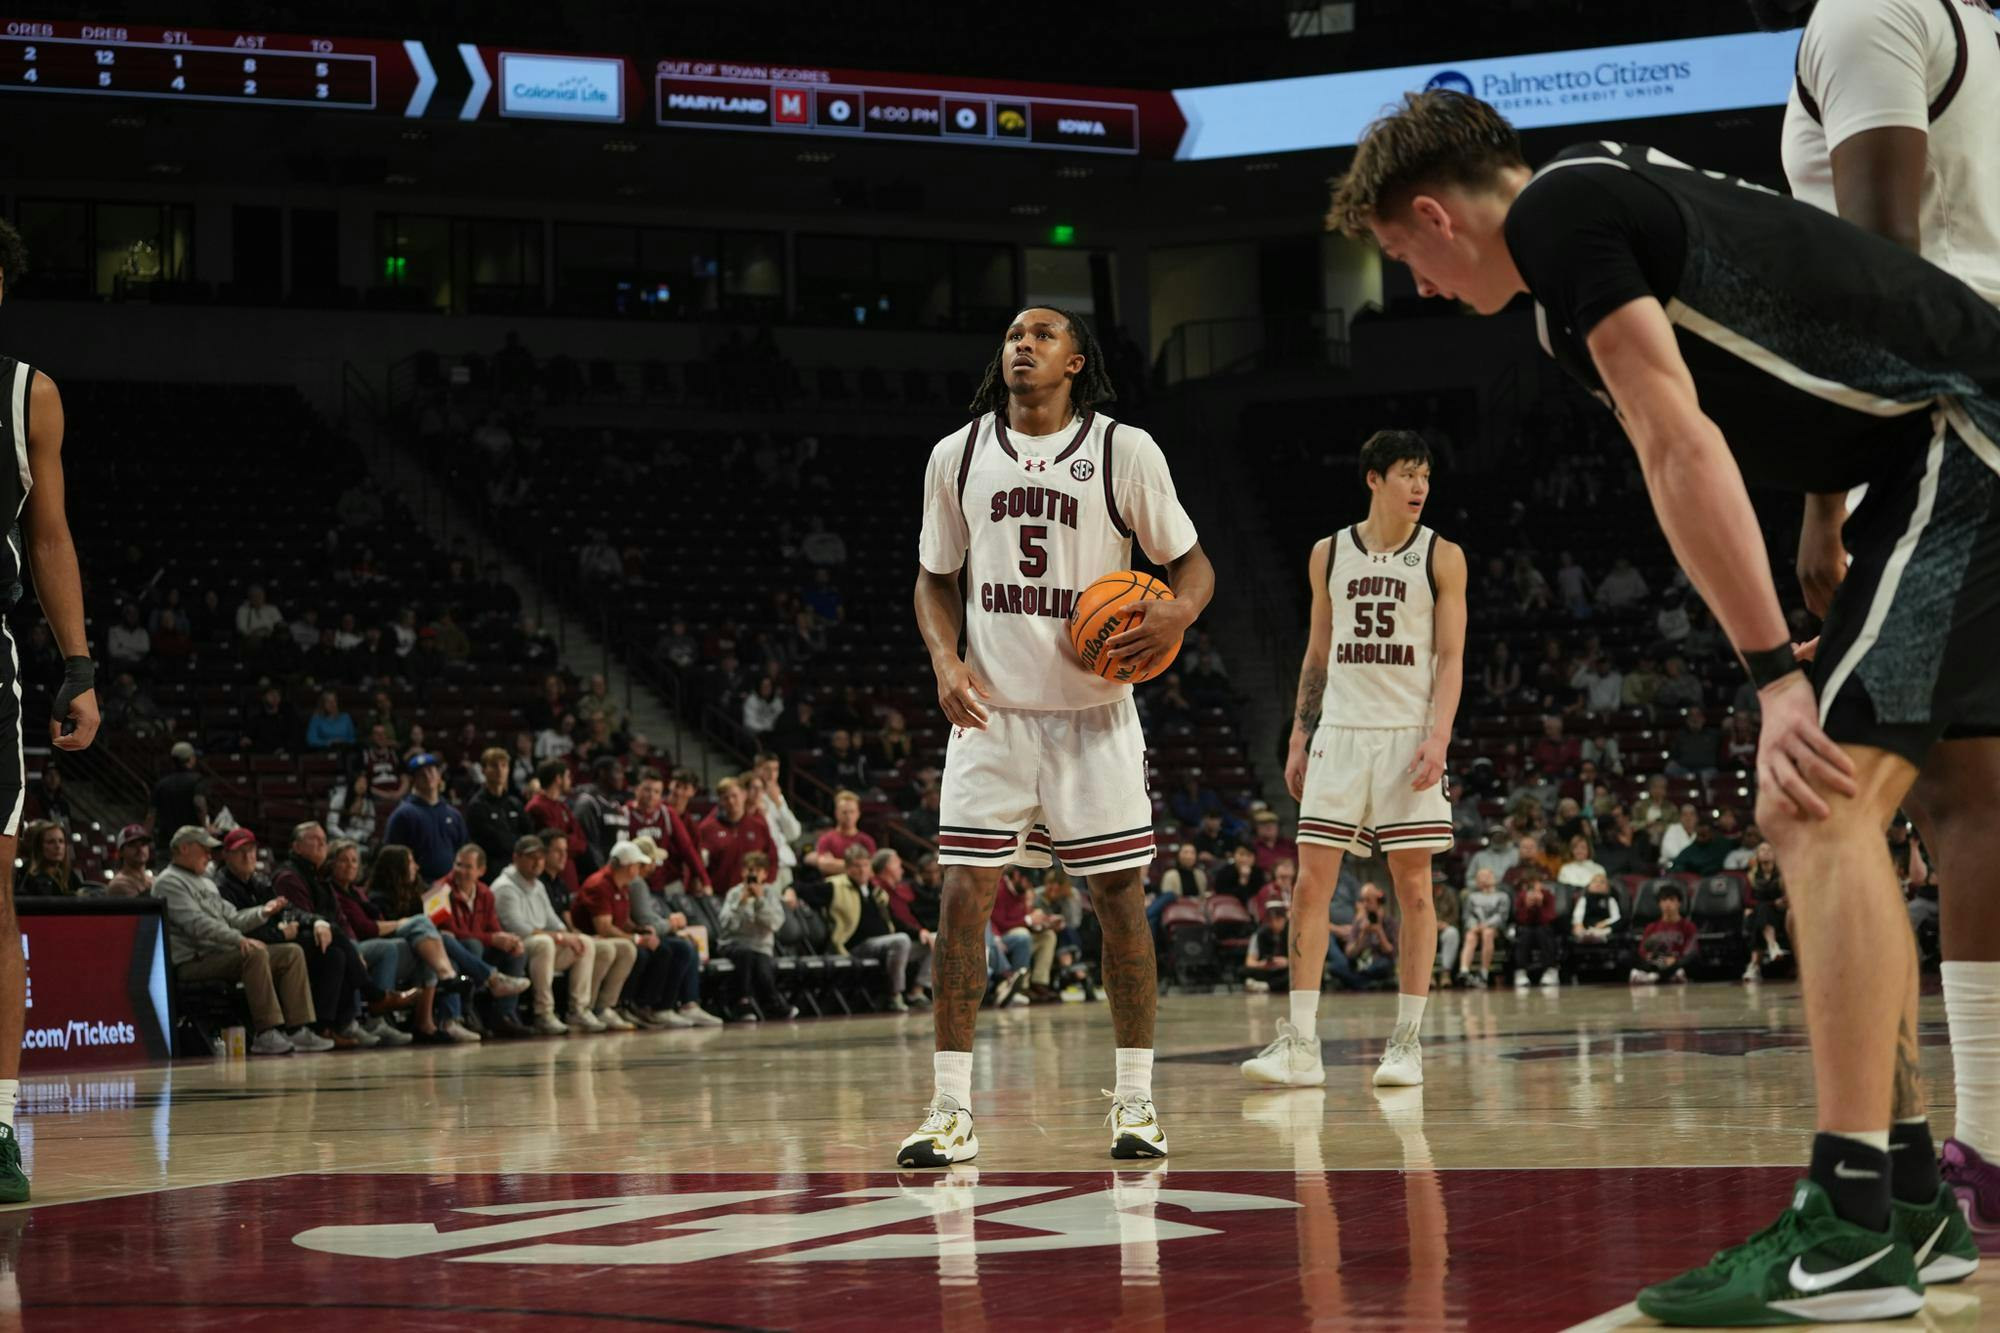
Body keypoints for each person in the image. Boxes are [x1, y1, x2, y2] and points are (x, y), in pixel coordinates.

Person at [1330, 88, 2000, 1313]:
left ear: (1431, 213)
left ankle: (1848, 1225)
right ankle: (1908, 1197)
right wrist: (1816, 523)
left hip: (1972, 435)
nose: (1415, 286)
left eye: (1398, 257)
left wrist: (1773, 678)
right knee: (1921, 802)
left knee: (1812, 803)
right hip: (1925, 441)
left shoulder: (1558, 213)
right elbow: (1811, 344)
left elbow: (1675, 435)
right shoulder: (1594, 217)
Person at [1778, 0, 2000, 1231]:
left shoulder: (1865, 8)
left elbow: (1875, 275)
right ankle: (1980, 1154)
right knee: (1969, 796)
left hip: (1942, 428)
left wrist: (1822, 497)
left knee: (1818, 789)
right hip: (1984, 411)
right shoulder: (1969, 21)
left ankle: (1868, 1191)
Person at [906, 305, 1212, 1167]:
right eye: (1011, 334)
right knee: (961, 898)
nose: (1022, 344)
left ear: (1076, 361)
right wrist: (943, 658)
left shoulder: (1124, 451)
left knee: (1119, 902)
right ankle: (949, 1109)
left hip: (1093, 716)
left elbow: (1193, 565)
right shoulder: (956, 454)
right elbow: (934, 581)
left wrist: (1177, 616)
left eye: (1042, 335)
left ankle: (1139, 1101)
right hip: (992, 714)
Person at [1243, 430, 1465, 1093]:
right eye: (1407, 473)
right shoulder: (1328, 552)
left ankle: (1407, 1043)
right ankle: (1303, 1045)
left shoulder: (1442, 555)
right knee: (1310, 885)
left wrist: (1440, 735)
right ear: (1374, 479)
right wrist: (1298, 733)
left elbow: (1451, 657)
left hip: (1406, 733)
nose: (1420, 486)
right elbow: (1317, 651)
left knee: (1415, 888)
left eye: (1426, 474)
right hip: (1339, 729)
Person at [155, 826, 329, 1056]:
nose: (209, 855)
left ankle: (298, 1029)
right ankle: (265, 1033)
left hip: (220, 954)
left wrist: (263, 912)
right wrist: (239, 940)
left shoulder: (205, 882)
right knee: (254, 953)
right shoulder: (168, 882)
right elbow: (197, 925)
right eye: (204, 849)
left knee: (290, 952)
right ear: (184, 848)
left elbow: (233, 917)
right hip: (193, 961)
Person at [490, 834, 604, 1034]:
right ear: (516, 858)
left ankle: (578, 1009)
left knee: (584, 942)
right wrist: (560, 937)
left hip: (543, 946)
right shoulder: (504, 887)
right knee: (545, 942)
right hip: (516, 946)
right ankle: (544, 1012)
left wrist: (567, 935)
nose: (537, 862)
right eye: (531, 857)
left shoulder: (538, 885)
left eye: (541, 857)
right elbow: (519, 929)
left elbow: (554, 921)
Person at [574, 840, 690, 1030]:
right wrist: (637, 939)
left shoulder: (622, 885)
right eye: (638, 864)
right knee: (638, 951)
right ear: (628, 867)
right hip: (594, 938)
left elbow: (623, 920)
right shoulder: (599, 884)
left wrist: (639, 930)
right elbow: (603, 927)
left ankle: (641, 1006)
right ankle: (611, 1005)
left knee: (661, 949)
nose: (641, 868)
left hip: (613, 939)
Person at [803, 844, 918, 1011]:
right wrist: (790, 892)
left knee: (932, 942)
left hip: (885, 944)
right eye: (857, 866)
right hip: (855, 946)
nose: (862, 870)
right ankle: (894, 995)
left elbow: (894, 919)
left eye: (865, 865)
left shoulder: (875, 890)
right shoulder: (834, 886)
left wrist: (920, 932)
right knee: (901, 941)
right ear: (848, 868)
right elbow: (802, 889)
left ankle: (919, 991)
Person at [718, 851, 794, 1020]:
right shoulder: (734, 894)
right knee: (746, 955)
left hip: (761, 946)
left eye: (757, 870)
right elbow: (726, 924)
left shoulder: (770, 894)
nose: (752, 874)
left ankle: (772, 1006)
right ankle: (742, 1003)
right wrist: (740, 904)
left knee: (762, 967)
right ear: (742, 872)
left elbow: (775, 923)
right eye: (748, 870)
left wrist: (760, 901)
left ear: (765, 874)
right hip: (734, 944)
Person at [382, 753, 468, 883]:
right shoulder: (403, 815)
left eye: (431, 771)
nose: (428, 777)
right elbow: (392, 859)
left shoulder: (453, 814)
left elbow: (463, 851)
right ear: (414, 780)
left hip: (450, 886)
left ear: (439, 775)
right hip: (418, 889)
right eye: (421, 774)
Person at [695, 777, 777, 896]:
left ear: (744, 795)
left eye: (734, 796)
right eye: (725, 798)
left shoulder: (758, 826)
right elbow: (697, 862)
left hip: (752, 894)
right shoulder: (707, 829)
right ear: (720, 801)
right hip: (719, 895)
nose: (731, 801)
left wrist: (766, 883)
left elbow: (772, 858)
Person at [465, 746, 533, 872]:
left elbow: (529, 833)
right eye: (494, 766)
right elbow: (494, 842)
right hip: (493, 869)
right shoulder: (477, 805)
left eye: (504, 765)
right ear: (484, 770)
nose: (500, 770)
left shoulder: (514, 803)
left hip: (519, 866)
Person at [1325, 883, 1397, 991]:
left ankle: (1358, 982)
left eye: (1368, 900)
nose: (1365, 904)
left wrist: (1379, 932)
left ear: (1378, 901)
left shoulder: (1390, 922)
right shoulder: (1359, 923)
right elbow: (1349, 953)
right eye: (1363, 900)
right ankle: (1366, 983)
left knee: (1385, 965)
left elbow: (1392, 953)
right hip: (1360, 964)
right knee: (1335, 967)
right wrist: (1362, 935)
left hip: (1378, 964)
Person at [1744, 841, 1793, 983]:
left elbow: (1789, 895)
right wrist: (1771, 903)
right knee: (1762, 910)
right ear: (1757, 856)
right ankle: (1772, 945)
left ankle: (1754, 965)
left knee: (1759, 914)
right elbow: (1747, 901)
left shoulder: (1783, 875)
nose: (1766, 852)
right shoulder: (1751, 877)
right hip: (1761, 912)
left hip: (1780, 913)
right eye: (1762, 850)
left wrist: (1783, 902)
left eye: (1769, 850)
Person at [1631, 884, 1698, 986]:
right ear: (1659, 904)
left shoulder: (1688, 926)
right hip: (1657, 962)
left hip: (1676, 962)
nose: (1667, 904)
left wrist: (1675, 960)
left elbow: (1691, 950)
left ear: (1679, 903)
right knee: (1628, 957)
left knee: (1692, 958)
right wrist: (1651, 957)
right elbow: (1643, 951)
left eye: (1672, 900)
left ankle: (1654, 977)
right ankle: (1666, 976)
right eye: (1664, 900)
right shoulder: (1651, 927)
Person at [1458, 867, 1510, 988]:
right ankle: (1464, 970)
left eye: (1487, 875)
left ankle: (1484, 972)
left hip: (1495, 929)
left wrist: (1486, 925)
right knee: (1470, 935)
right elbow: (1468, 915)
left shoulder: (1502, 896)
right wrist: (1474, 925)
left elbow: (1502, 916)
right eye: (1481, 876)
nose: (1484, 878)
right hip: (1476, 927)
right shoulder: (1472, 897)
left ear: (1494, 878)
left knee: (1487, 933)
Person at [1511, 871, 1560, 989]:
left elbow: (1550, 917)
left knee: (1543, 931)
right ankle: (1521, 971)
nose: (1533, 888)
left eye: (1536, 884)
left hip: (1544, 926)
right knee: (1525, 932)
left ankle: (1550, 969)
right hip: (1526, 927)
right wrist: (1528, 907)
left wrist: (1540, 905)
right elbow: (1520, 919)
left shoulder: (1548, 895)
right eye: (1530, 885)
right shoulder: (1521, 896)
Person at [150, 740, 208, 836]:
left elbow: (151, 814)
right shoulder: (197, 780)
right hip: (190, 837)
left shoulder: (161, 784)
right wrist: (205, 826)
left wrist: (146, 836)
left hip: (166, 839)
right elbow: (199, 804)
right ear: (191, 759)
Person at [811, 789, 876, 876]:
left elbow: (872, 871)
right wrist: (861, 866)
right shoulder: (826, 839)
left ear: (858, 813)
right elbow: (824, 865)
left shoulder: (867, 840)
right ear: (837, 813)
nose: (849, 816)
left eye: (852, 812)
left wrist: (835, 863)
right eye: (844, 812)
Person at [1243, 899, 1291, 993]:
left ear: (1284, 919)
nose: (1274, 924)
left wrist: (1287, 962)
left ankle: (1266, 986)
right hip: (1267, 969)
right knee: (1245, 971)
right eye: (1271, 920)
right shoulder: (1259, 934)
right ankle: (1265, 985)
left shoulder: (1292, 934)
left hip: (1285, 969)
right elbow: (1249, 961)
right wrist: (1262, 964)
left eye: (1278, 920)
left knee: (1294, 974)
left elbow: (1302, 960)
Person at [18, 821, 79, 896]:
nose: (58, 846)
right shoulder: (26, 877)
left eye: (61, 841)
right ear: (39, 846)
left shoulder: (68, 875)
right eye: (51, 842)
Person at [104, 824, 153, 897]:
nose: (140, 849)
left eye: (143, 844)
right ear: (120, 852)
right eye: (132, 845)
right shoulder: (119, 884)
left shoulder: (152, 880)